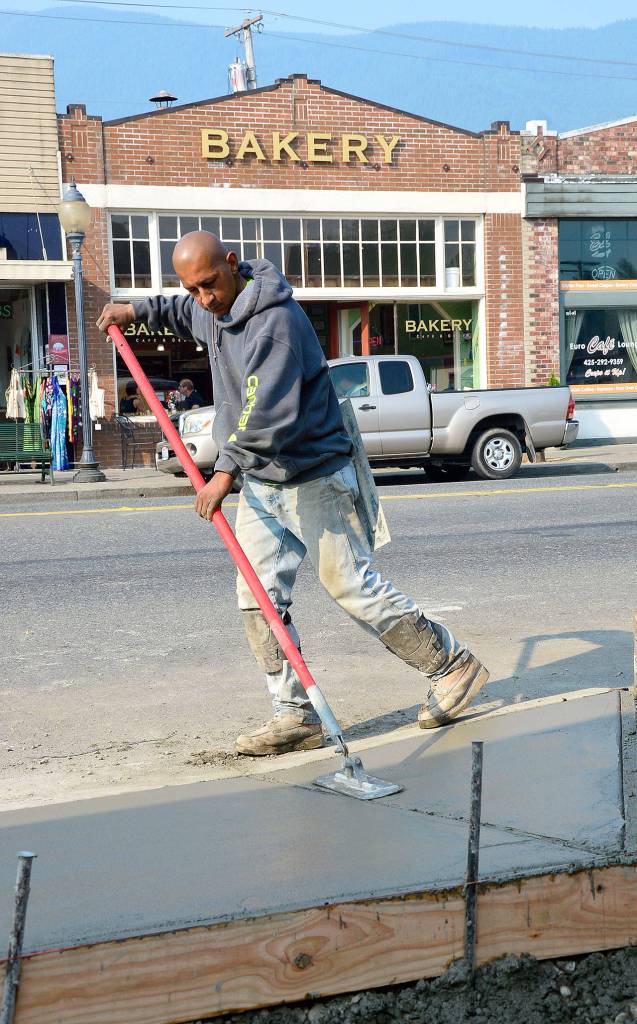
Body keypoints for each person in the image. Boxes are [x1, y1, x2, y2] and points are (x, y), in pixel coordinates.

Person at [97, 232, 489, 756]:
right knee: (256, 597)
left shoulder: (276, 324)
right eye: (193, 289)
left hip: (315, 473)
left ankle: (452, 666)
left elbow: (267, 414)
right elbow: (175, 310)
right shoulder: (208, 309)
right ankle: (294, 714)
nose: (204, 298)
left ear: (232, 264)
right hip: (264, 481)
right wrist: (133, 308)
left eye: (210, 284)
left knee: (352, 587)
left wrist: (224, 472)